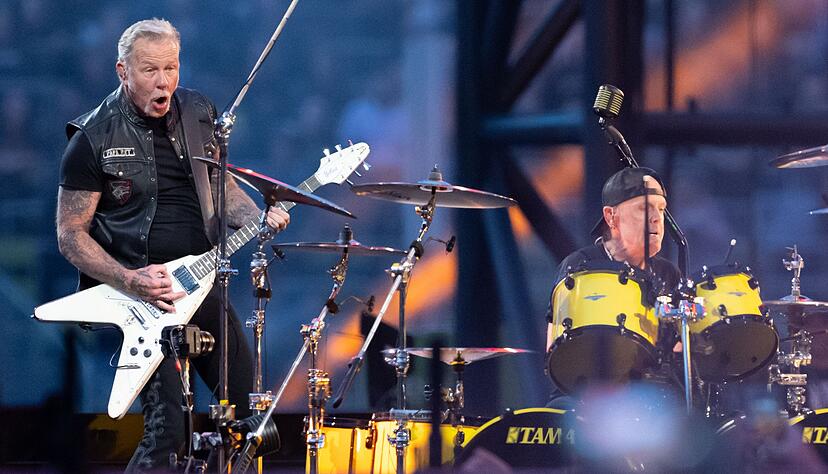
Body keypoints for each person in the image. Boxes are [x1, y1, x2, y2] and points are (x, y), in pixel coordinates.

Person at [56, 19, 290, 471]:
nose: (163, 81)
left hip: (200, 284)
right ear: (122, 71)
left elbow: (221, 186)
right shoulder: (92, 137)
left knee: (252, 422)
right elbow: (70, 235)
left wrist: (257, 218)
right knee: (170, 430)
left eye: (171, 68)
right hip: (140, 299)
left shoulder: (199, 111)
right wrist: (130, 279)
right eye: (149, 70)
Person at [545, 167, 681, 400]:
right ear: (611, 217)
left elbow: (679, 349)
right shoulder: (580, 266)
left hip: (649, 397)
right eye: (644, 208)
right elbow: (555, 348)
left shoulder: (668, 273)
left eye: (661, 209)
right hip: (584, 394)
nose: (657, 218)